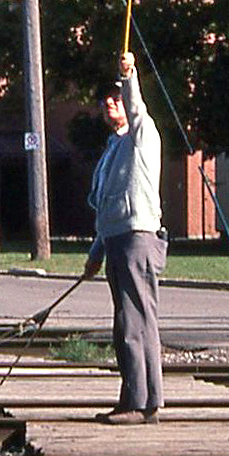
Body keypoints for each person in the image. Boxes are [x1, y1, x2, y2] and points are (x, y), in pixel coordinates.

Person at [81, 50, 166, 425]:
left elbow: (137, 109)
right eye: (106, 100)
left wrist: (129, 75)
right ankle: (135, 397)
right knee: (126, 322)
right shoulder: (114, 148)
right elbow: (105, 207)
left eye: (117, 98)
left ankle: (142, 403)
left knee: (135, 322)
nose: (110, 104)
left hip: (137, 238)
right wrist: (96, 251)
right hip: (117, 240)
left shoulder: (141, 136)